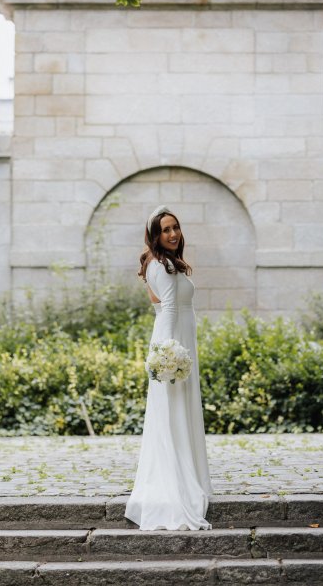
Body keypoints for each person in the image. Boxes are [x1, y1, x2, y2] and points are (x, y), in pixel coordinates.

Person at [124, 205, 214, 531]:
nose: (173, 234)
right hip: (173, 350)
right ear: (155, 235)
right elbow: (169, 310)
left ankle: (190, 477)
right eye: (166, 229)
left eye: (175, 227)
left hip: (181, 346)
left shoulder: (169, 263)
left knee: (182, 415)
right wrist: (167, 356)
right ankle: (176, 488)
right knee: (173, 416)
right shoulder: (159, 265)